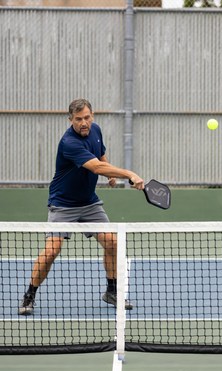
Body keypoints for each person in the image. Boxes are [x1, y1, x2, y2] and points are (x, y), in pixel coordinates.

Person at [18, 98, 145, 316]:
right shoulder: (69, 142)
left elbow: (100, 155)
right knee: (51, 251)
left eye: (87, 117)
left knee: (113, 243)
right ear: (71, 120)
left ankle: (112, 292)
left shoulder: (96, 130)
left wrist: (110, 176)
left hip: (89, 203)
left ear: (92, 116)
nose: (83, 123)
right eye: (78, 119)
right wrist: (128, 174)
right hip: (63, 205)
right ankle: (30, 295)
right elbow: (95, 167)